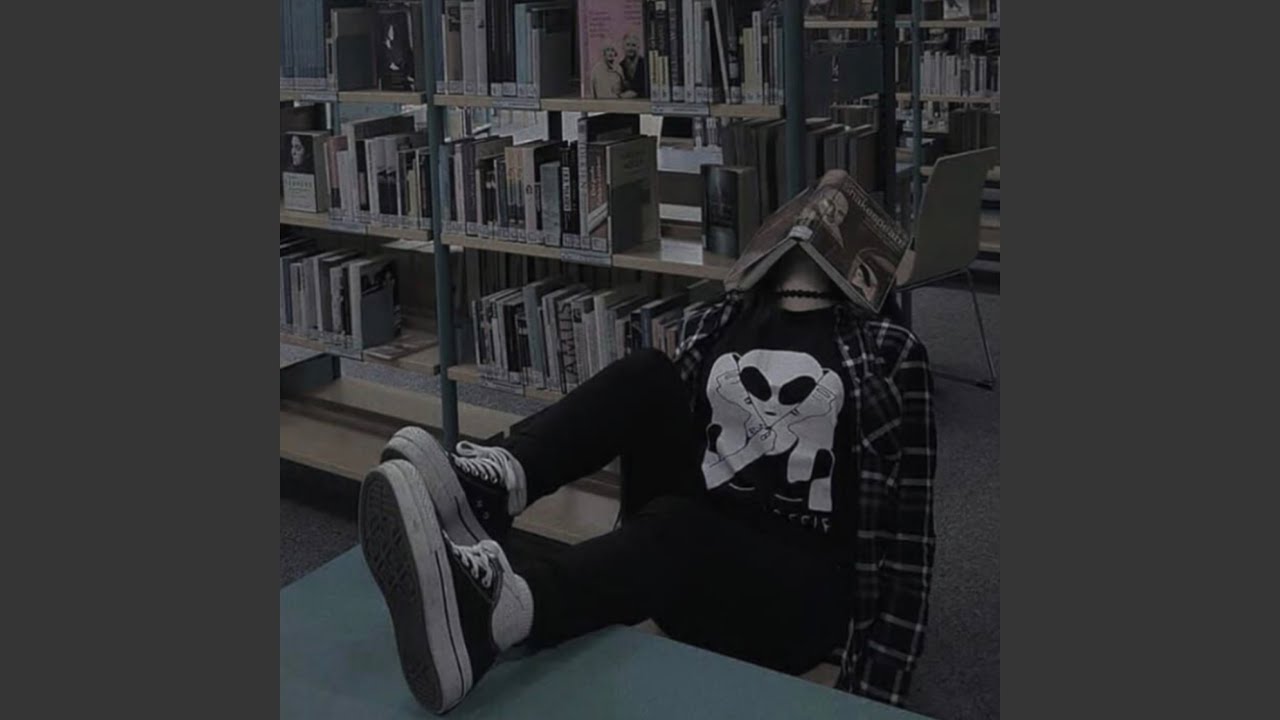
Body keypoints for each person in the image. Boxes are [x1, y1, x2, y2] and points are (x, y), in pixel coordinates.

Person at [358, 248, 937, 714]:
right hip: (694, 567)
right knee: (647, 373)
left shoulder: (886, 351)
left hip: (794, 602)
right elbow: (649, 422)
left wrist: (875, 698)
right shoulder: (720, 319)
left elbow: (910, 538)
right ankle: (494, 487)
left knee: (681, 527)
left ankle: (499, 614)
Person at [618, 34, 647, 99]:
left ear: (638, 47)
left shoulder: (646, 64)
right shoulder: (619, 66)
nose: (630, 48)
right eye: (628, 45)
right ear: (623, 47)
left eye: (633, 45)